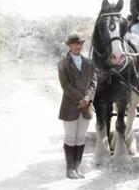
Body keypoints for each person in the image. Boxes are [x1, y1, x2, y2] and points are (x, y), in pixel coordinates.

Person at [58, 32, 97, 179]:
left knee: (81, 137)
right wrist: (81, 99)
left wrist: (87, 99)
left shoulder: (90, 63)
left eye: (79, 43)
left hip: (86, 107)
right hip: (70, 107)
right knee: (70, 137)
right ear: (69, 45)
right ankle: (69, 170)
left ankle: (77, 168)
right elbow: (66, 86)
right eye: (74, 43)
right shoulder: (62, 64)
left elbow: (94, 82)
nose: (77, 46)